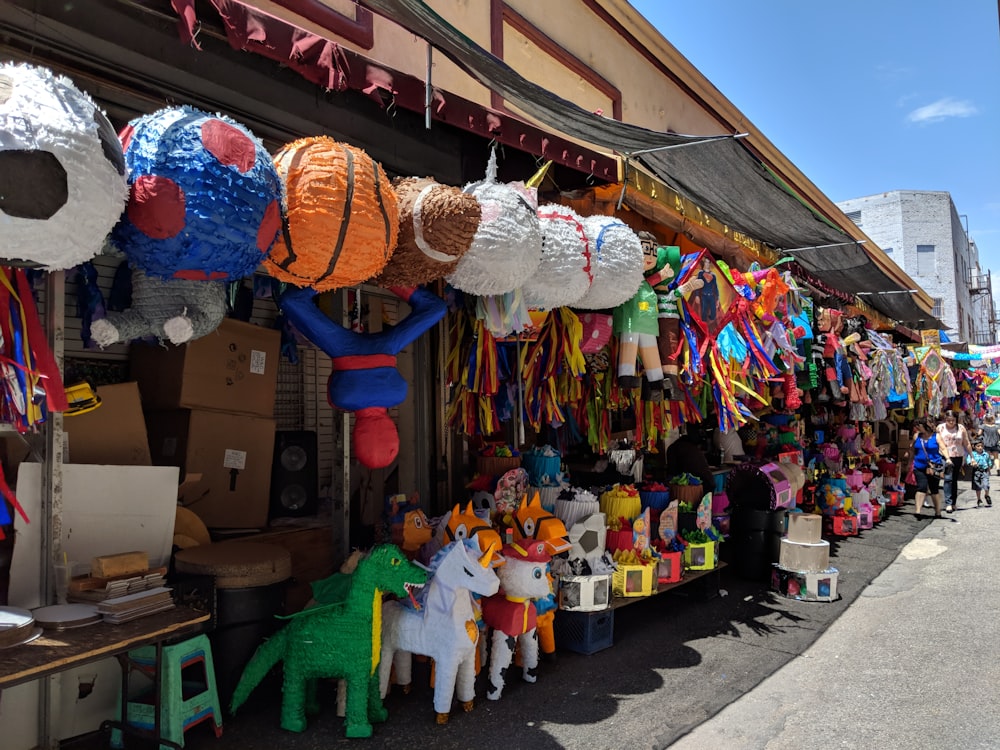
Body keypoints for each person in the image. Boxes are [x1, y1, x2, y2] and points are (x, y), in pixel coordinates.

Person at [937, 410, 973, 513]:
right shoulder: (940, 428)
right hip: (945, 456)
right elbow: (937, 441)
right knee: (948, 478)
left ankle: (953, 503)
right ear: (945, 420)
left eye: (953, 420)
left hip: (958, 456)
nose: (951, 422)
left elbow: (966, 443)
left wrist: (972, 456)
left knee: (954, 479)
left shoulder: (961, 428)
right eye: (949, 420)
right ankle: (948, 503)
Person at [909, 418, 944, 519]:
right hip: (919, 466)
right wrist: (909, 462)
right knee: (921, 487)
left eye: (919, 426)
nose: (917, 428)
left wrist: (948, 458)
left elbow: (943, 448)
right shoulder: (917, 436)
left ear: (925, 426)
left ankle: (937, 511)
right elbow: (912, 450)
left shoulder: (936, 437)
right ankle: (918, 511)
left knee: (934, 489)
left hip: (934, 466)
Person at [968, 439, 993, 507]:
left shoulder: (986, 454)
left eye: (981, 446)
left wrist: (989, 469)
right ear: (974, 447)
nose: (980, 447)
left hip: (984, 471)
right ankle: (979, 499)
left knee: (986, 485)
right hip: (976, 471)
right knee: (978, 486)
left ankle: (986, 495)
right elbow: (969, 461)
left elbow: (989, 462)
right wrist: (972, 463)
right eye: (978, 446)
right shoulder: (972, 454)